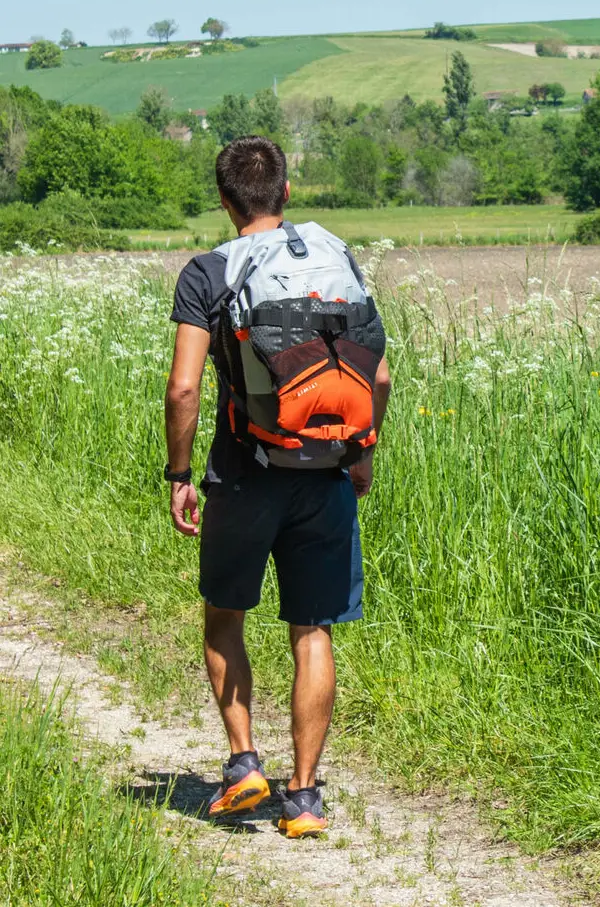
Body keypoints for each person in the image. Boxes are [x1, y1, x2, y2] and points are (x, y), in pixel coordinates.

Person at [164, 135, 390, 838]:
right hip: (327, 468)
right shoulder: (333, 257)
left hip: (243, 468)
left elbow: (184, 387)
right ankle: (304, 797)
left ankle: (243, 765)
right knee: (312, 628)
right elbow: (377, 374)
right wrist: (361, 452)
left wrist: (178, 473)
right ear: (286, 193)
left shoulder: (207, 271)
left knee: (224, 613)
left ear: (225, 200)